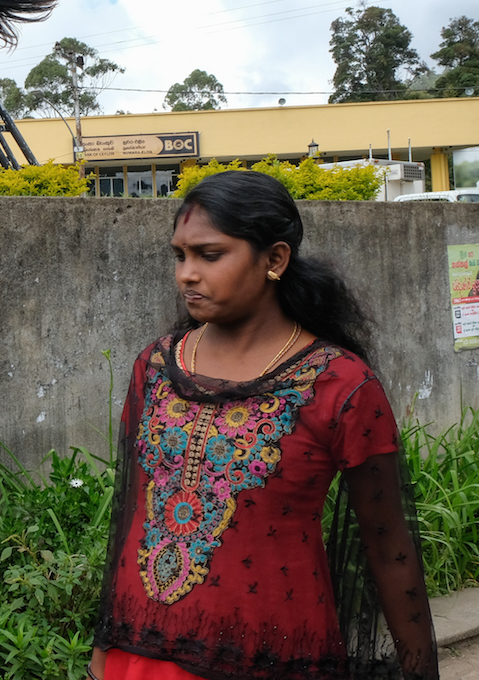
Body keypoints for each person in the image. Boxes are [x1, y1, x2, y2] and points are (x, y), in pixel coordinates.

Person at [90, 171, 438, 680]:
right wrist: (106, 641)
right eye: (179, 255)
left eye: (210, 256)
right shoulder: (156, 367)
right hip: (142, 652)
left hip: (272, 654)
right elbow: (132, 513)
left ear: (274, 259)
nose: (187, 274)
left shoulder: (340, 385)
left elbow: (388, 547)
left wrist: (421, 671)